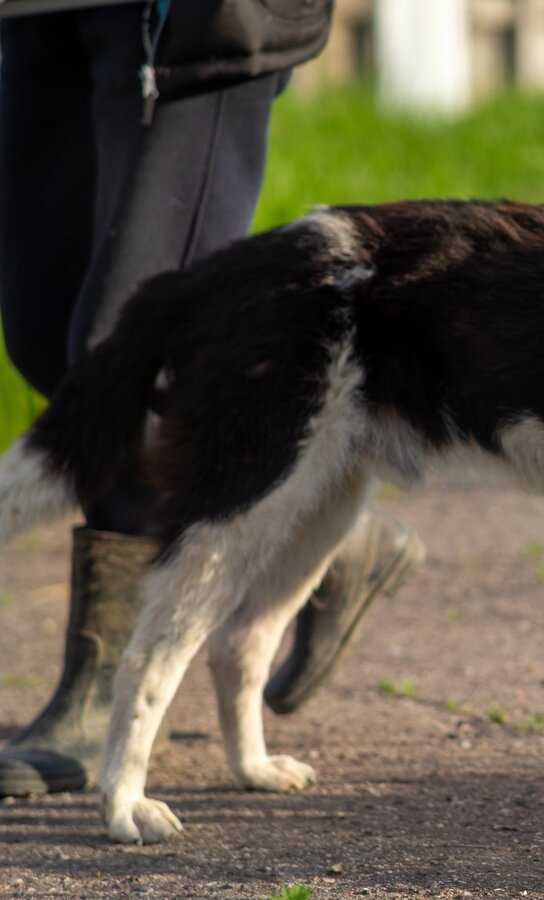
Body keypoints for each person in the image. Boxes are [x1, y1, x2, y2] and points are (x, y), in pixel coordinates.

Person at [0, 0, 422, 797]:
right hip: (43, 10)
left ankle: (103, 699)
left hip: (196, 18)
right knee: (38, 328)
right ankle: (309, 516)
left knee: (123, 353)